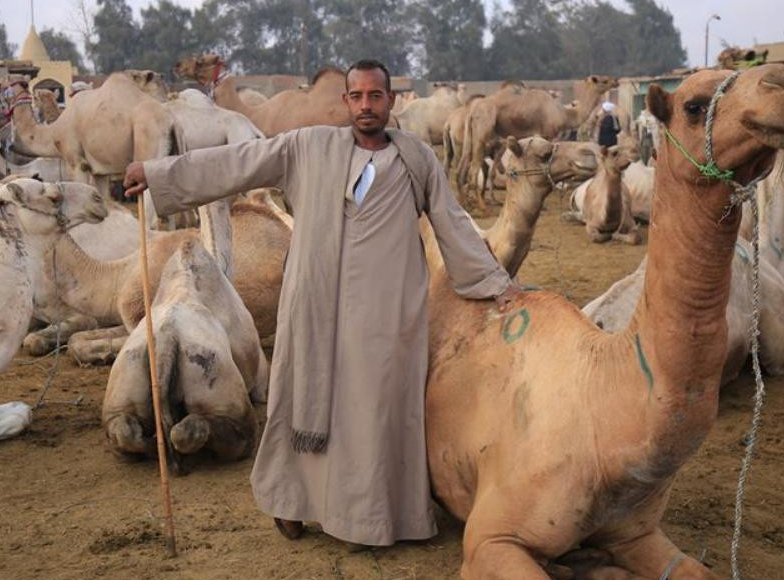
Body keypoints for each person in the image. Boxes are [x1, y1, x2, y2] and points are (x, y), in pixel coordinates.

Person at [123, 59, 521, 548]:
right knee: (304, 402)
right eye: (357, 97)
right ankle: (292, 505)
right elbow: (236, 164)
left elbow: (453, 224)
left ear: (391, 100)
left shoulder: (417, 159)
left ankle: (371, 520)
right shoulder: (307, 147)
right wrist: (159, 175)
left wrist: (494, 282)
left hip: (387, 313)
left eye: (376, 96)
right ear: (346, 101)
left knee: (375, 411)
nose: (366, 106)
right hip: (315, 306)